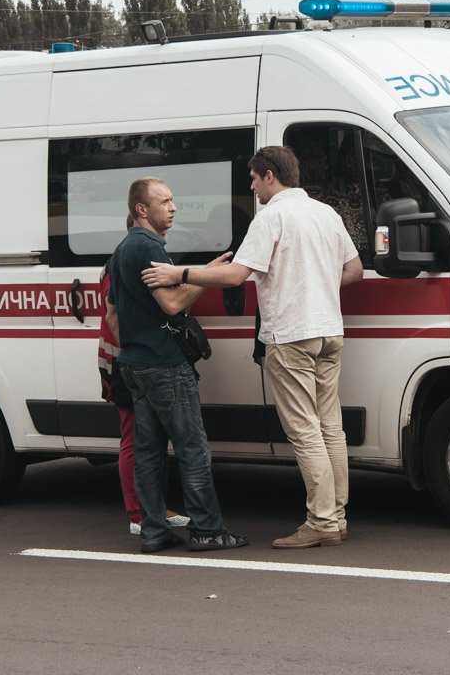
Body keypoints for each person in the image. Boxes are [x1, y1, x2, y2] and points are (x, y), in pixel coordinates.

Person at [142, 146, 364, 549]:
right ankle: (338, 516)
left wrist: (179, 271)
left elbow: (234, 276)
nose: (251, 187)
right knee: (331, 427)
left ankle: (322, 522)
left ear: (268, 176)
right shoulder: (326, 213)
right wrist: (316, 285)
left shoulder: (272, 217)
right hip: (330, 331)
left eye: (252, 178)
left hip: (292, 335)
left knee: (305, 430)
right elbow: (354, 269)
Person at [109, 177, 246, 554]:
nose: (173, 207)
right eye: (164, 201)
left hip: (134, 363)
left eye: (173, 200)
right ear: (142, 209)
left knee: (149, 453)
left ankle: (153, 531)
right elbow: (172, 304)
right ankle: (207, 529)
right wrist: (206, 277)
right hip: (164, 364)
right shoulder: (149, 245)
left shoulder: (121, 249)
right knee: (192, 449)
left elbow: (114, 312)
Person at [98, 262, 190, 537]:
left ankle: (156, 508)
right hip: (124, 361)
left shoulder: (128, 261)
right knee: (135, 438)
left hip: (133, 360)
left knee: (153, 440)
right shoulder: (121, 265)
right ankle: (138, 514)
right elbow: (118, 317)